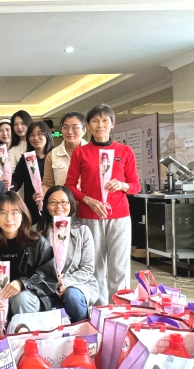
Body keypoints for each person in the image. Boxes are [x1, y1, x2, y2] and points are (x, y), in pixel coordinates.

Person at [65, 104, 140, 305]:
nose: (100, 125)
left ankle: (120, 310)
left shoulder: (124, 151)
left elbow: (135, 186)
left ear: (112, 124)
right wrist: (88, 199)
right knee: (94, 267)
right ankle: (98, 310)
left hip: (119, 217)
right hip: (89, 216)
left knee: (119, 267)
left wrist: (122, 185)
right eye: (95, 121)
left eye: (105, 120)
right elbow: (70, 186)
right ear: (88, 126)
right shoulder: (81, 153)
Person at [0, 191, 57, 334]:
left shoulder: (37, 242)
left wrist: (22, 283)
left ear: (23, 215)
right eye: (3, 213)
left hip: (27, 301)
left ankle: (25, 341)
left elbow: (49, 279)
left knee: (20, 298)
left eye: (15, 213)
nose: (8, 218)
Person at [39, 186, 99, 322]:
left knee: (73, 296)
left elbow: (87, 268)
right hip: (45, 284)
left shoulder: (83, 232)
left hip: (78, 283)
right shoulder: (37, 232)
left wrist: (65, 282)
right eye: (53, 202)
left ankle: (84, 328)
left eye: (64, 202)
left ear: (71, 205)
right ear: (46, 206)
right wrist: (52, 281)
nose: (59, 206)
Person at [11, 121, 54, 225]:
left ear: (47, 135)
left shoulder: (55, 156)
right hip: (31, 207)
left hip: (54, 206)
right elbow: (16, 181)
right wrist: (8, 185)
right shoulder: (25, 159)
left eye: (40, 134)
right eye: (32, 135)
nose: (35, 138)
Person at [42, 112, 88, 192]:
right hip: (62, 202)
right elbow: (47, 184)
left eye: (75, 128)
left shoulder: (93, 152)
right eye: (66, 127)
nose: (69, 131)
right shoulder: (52, 154)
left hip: (88, 202)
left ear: (84, 130)